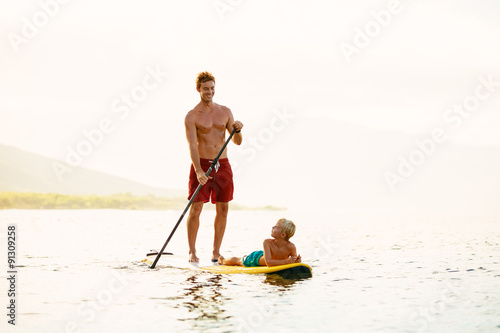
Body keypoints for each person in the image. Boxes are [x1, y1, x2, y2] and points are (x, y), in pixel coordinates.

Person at [185, 71, 243, 263]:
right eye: (206, 89)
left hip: (223, 164)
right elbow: (193, 145)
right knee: (196, 209)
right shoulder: (192, 116)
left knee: (224, 208)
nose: (209, 92)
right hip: (201, 164)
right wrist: (199, 171)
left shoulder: (225, 111)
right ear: (198, 89)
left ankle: (216, 252)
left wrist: (238, 130)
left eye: (212, 88)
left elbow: (237, 142)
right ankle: (192, 252)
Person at [218, 218, 302, 267]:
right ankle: (222, 260)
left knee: (240, 259)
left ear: (283, 235)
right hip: (255, 259)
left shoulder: (291, 247)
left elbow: (293, 263)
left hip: (266, 255)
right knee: (238, 261)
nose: (272, 227)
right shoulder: (267, 242)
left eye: (276, 227)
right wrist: (286, 262)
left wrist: (297, 261)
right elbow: (268, 263)